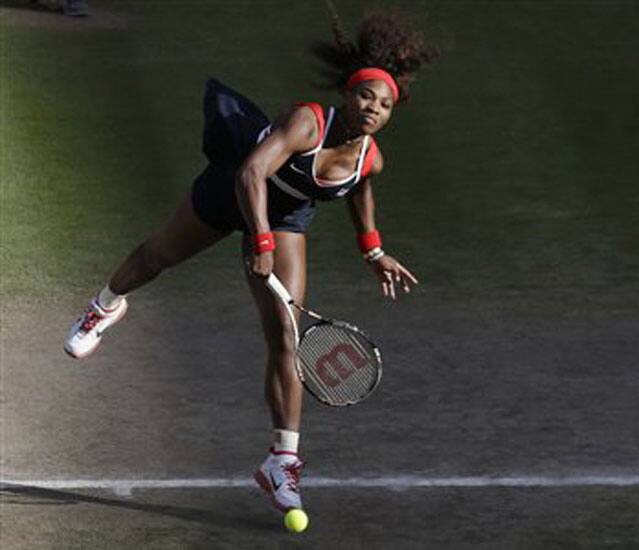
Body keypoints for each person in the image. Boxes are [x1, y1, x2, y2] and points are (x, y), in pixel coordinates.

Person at [63, 11, 438, 516]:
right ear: (347, 96)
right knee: (159, 255)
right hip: (236, 188)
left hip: (287, 217)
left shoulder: (370, 158)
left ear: (393, 113)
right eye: (366, 96)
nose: (373, 108)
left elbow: (358, 192)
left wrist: (372, 250)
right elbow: (252, 172)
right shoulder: (307, 122)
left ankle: (281, 460)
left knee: (286, 333)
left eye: (385, 104)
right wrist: (258, 238)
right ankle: (105, 306)